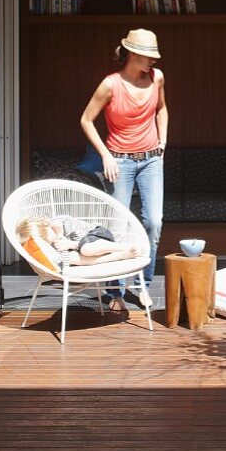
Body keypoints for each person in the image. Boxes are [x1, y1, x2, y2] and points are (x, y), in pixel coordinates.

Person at [80, 28, 167, 313]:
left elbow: (162, 109)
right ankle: (115, 290)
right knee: (118, 226)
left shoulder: (157, 78)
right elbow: (86, 120)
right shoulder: (110, 85)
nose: (152, 61)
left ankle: (142, 284)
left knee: (153, 222)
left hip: (151, 159)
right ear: (131, 54)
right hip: (120, 162)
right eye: (147, 56)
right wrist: (105, 155)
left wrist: (163, 141)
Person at [16, 215, 139, 268]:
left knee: (86, 249)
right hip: (89, 252)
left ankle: (124, 246)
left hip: (97, 236)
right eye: (45, 243)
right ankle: (121, 255)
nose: (49, 242)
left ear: (45, 225)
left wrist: (66, 241)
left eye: (46, 237)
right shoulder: (51, 245)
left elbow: (57, 224)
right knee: (73, 259)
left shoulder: (59, 223)